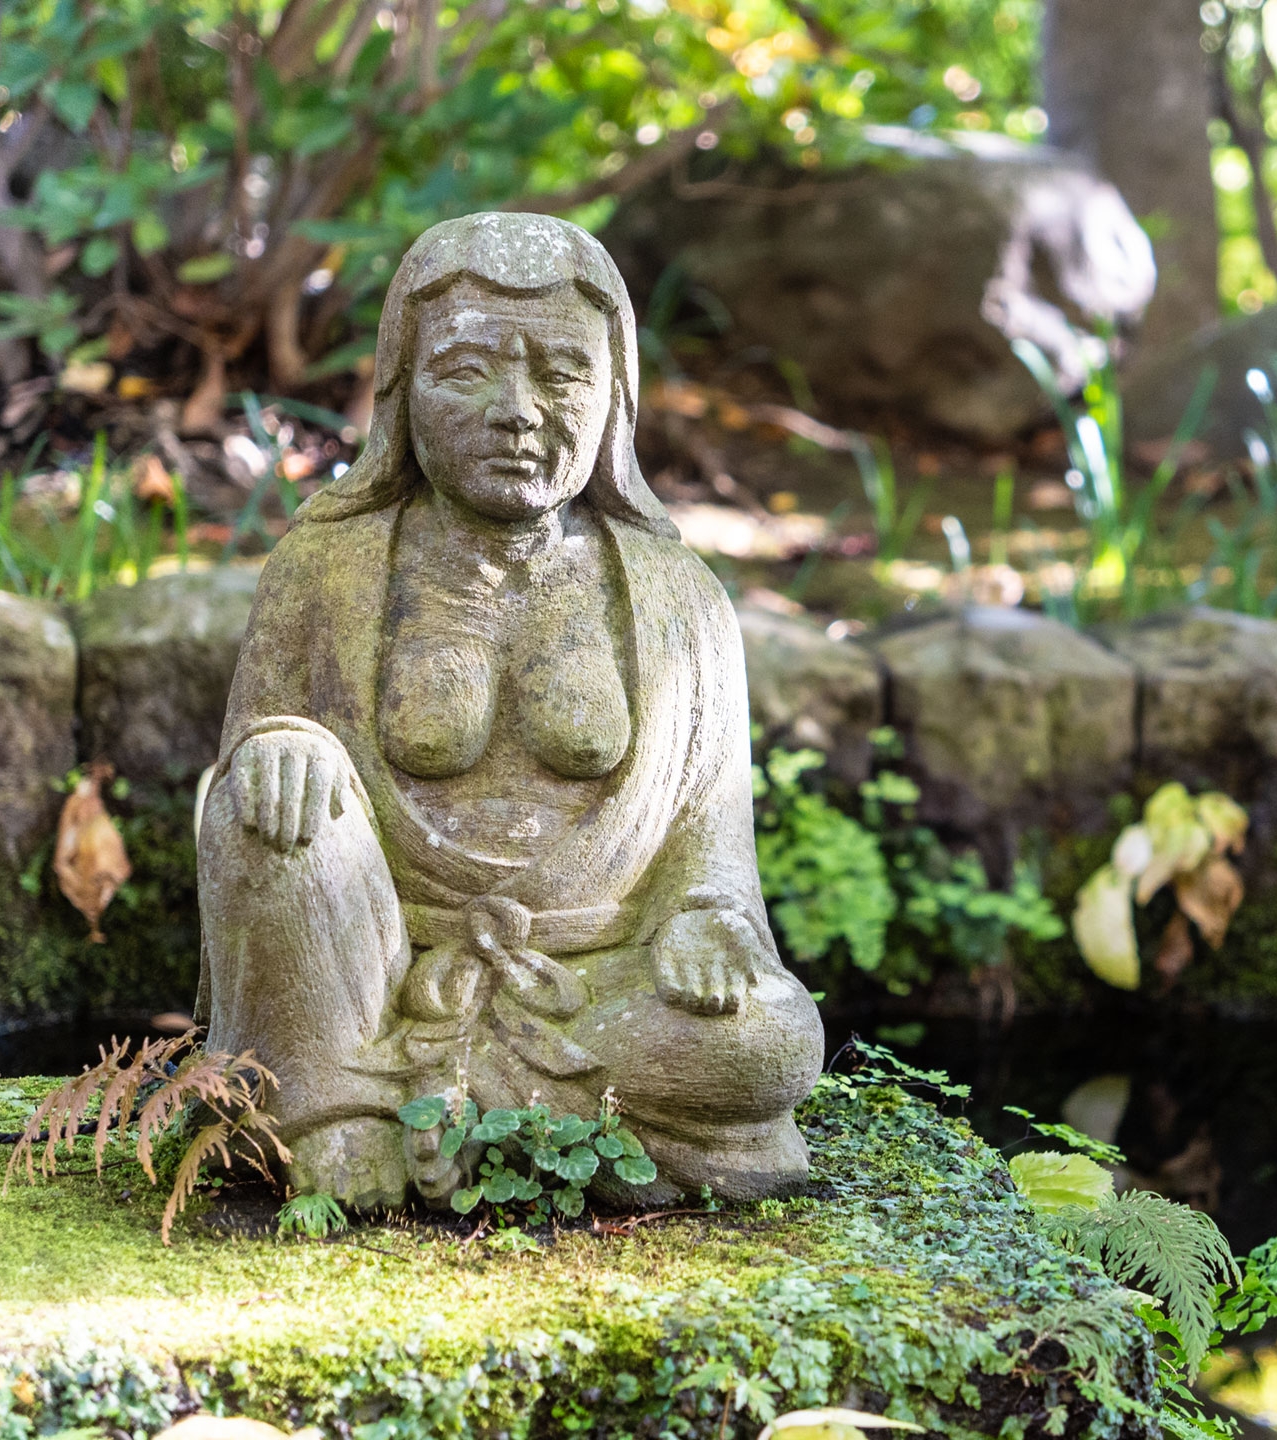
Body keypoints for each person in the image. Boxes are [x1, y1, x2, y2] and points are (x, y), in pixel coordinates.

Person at [196, 212, 823, 1209]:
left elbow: (713, 844)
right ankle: (360, 1107)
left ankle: (426, 1107)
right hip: (382, 977)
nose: (516, 411)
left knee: (772, 1039)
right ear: (399, 389)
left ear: (613, 396)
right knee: (264, 812)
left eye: (560, 375)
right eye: (467, 371)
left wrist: (709, 922)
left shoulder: (680, 599)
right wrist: (280, 747)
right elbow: (250, 761)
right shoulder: (324, 567)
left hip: (590, 988)